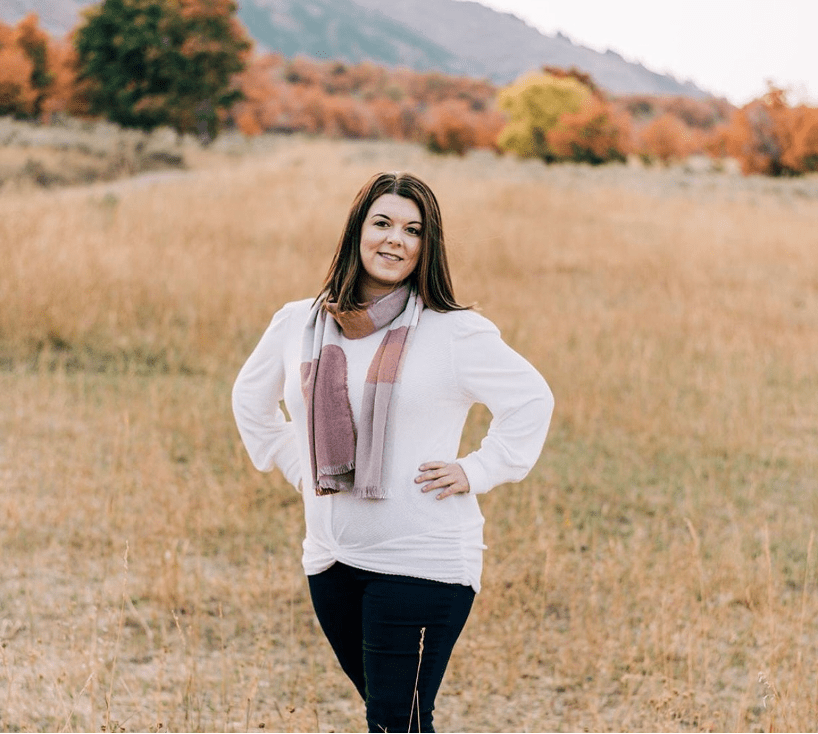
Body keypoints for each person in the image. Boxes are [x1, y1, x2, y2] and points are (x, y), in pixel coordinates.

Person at [232, 171, 554, 733]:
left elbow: (531, 399)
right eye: (382, 223)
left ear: (428, 246)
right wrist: (297, 466)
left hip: (422, 561)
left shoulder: (453, 332)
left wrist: (476, 469)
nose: (395, 240)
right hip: (330, 561)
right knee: (399, 721)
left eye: (413, 230)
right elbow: (249, 401)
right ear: (358, 230)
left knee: (394, 721)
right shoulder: (299, 323)